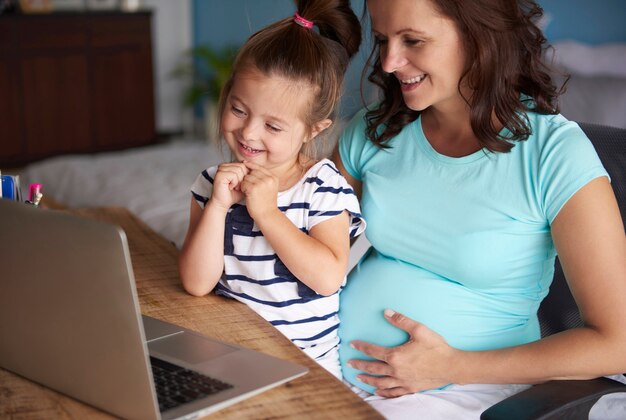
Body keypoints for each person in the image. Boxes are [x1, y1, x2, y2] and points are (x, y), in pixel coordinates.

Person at [331, 0, 626, 417]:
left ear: (478, 36)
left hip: (467, 393)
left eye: (413, 40)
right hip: (329, 374)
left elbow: (617, 342)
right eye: (383, 40)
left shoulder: (555, 155)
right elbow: (309, 252)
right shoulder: (374, 131)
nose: (391, 62)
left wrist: (451, 366)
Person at [178, 0, 365, 380]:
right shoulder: (212, 183)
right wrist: (217, 207)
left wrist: (267, 214)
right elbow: (197, 284)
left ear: (313, 130)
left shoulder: (322, 187)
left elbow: (328, 277)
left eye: (273, 127)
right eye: (239, 109)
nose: (248, 133)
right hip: (228, 354)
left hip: (306, 369)